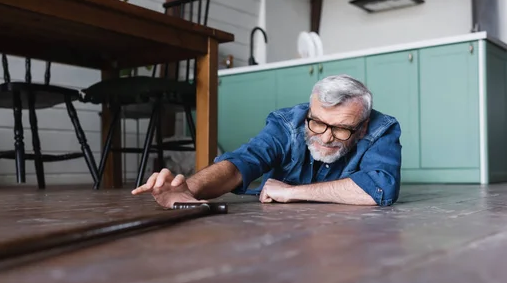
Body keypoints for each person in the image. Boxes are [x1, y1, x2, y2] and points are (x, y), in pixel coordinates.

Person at [132, 74, 402, 208]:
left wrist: (291, 191)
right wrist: (187, 189)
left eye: (342, 128)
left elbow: (379, 188)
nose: (325, 137)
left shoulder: (381, 128)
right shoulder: (287, 123)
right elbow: (243, 161)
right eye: (317, 122)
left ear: (363, 125)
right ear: (309, 110)